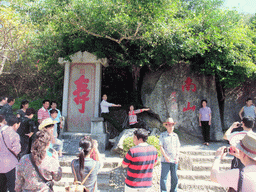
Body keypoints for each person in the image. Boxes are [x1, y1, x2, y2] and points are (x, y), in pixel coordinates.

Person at [223, 116, 254, 192]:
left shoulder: (237, 135)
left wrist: (232, 127)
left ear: (242, 124)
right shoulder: (254, 136)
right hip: (252, 162)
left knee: (235, 185)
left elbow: (225, 136)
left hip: (239, 161)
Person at [0, 116, 21, 192]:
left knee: (1, 187)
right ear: (15, 124)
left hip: (0, 164)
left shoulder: (1, 132)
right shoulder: (15, 135)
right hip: (10, 164)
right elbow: (17, 150)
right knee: (13, 187)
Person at [159, 118, 180, 192]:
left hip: (174, 160)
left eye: (172, 125)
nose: (171, 127)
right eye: (169, 125)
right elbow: (161, 147)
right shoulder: (162, 135)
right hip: (165, 160)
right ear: (166, 126)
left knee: (174, 177)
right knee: (164, 178)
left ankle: (173, 190)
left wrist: (177, 157)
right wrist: (165, 156)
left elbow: (178, 147)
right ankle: (163, 191)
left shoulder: (175, 136)